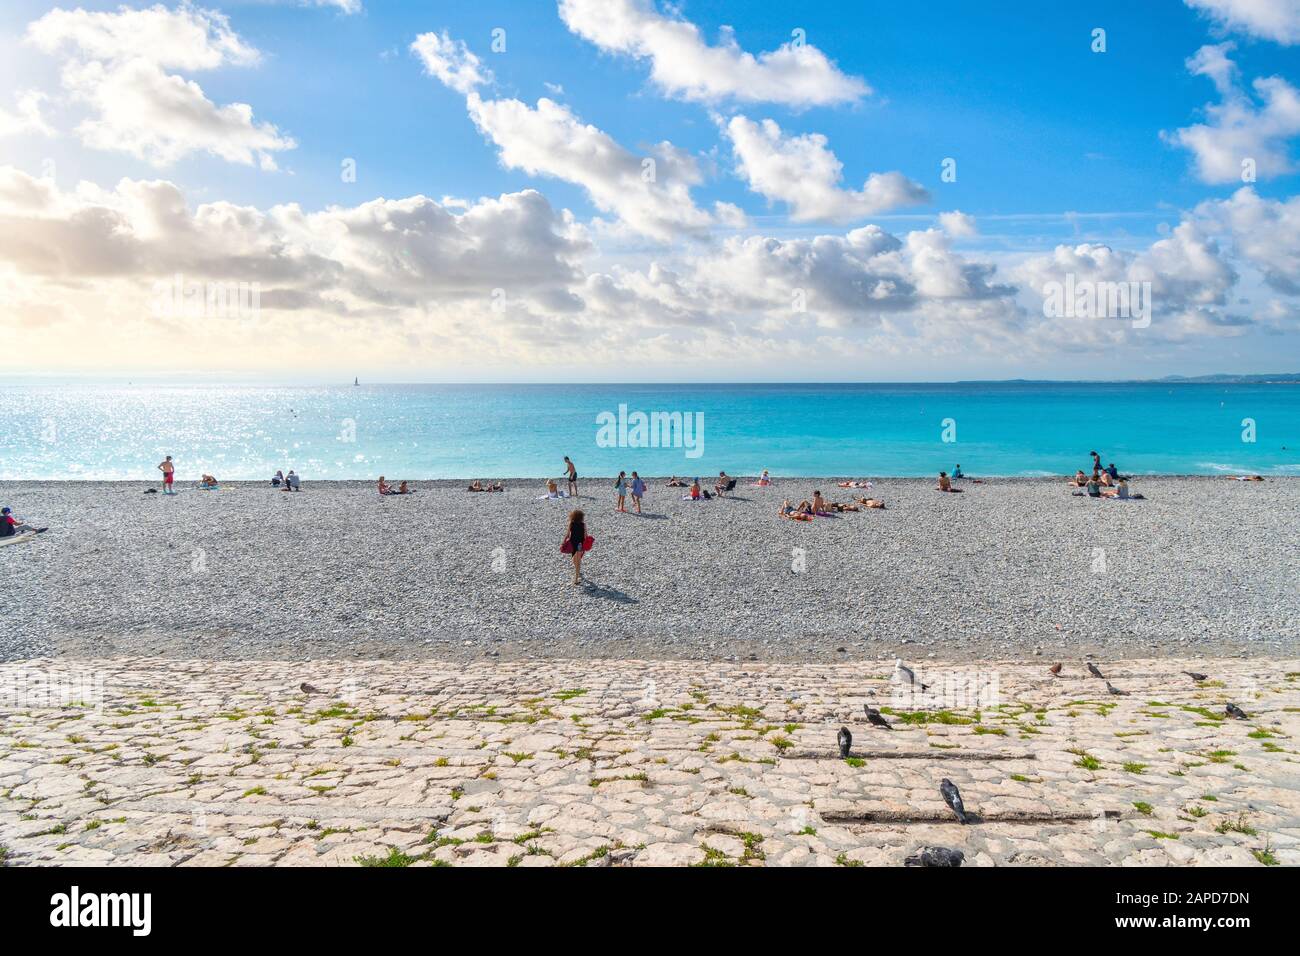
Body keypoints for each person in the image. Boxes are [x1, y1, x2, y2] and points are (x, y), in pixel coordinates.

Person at [561, 508, 593, 585]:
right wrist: (587, 542)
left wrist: (563, 542)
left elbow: (567, 535)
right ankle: (577, 573)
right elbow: (586, 536)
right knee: (577, 560)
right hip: (580, 544)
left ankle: (576, 577)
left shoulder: (571, 524)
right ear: (581, 517)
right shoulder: (583, 525)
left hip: (573, 543)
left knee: (575, 560)